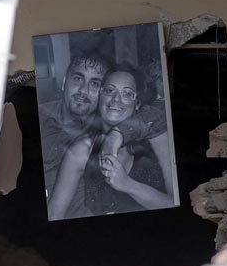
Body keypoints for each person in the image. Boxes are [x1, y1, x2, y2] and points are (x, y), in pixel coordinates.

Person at [38, 53, 167, 218]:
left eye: (94, 83)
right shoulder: (39, 115)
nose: (83, 90)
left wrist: (118, 133)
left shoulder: (106, 133)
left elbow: (160, 109)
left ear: (100, 93)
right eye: (78, 78)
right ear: (64, 82)